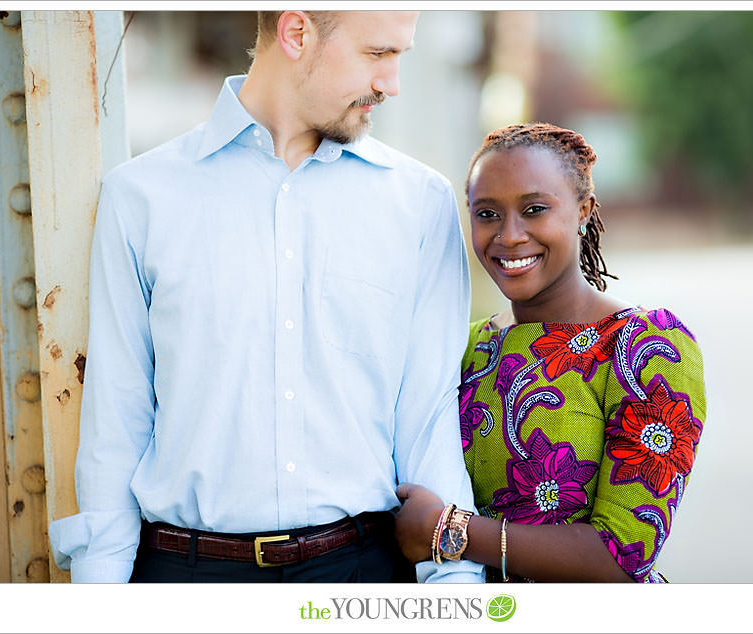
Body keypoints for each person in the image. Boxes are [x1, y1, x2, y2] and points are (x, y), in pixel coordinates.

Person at [49, 10, 484, 583]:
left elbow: (428, 421)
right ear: (296, 33)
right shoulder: (140, 199)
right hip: (186, 580)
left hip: (362, 577)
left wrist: (452, 585)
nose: (391, 83)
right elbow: (117, 422)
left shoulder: (420, 202)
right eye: (378, 55)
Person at [395, 122, 706, 582]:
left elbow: (623, 553)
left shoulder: (646, 346)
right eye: (487, 214)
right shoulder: (463, 346)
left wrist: (449, 532)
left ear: (584, 210)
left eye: (534, 209)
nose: (510, 235)